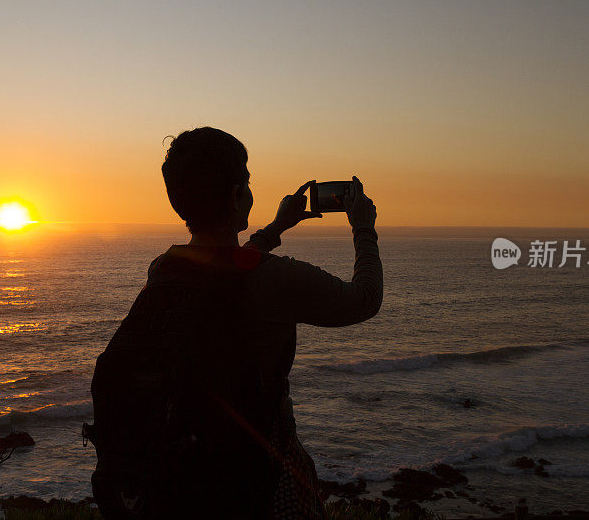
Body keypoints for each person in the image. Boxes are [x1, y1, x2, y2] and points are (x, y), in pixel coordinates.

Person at [88, 127, 382, 519]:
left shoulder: (164, 268)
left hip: (180, 481)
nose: (250, 191)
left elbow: (226, 269)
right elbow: (364, 300)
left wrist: (276, 230)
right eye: (246, 181)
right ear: (235, 196)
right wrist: (363, 227)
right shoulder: (274, 279)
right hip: (256, 479)